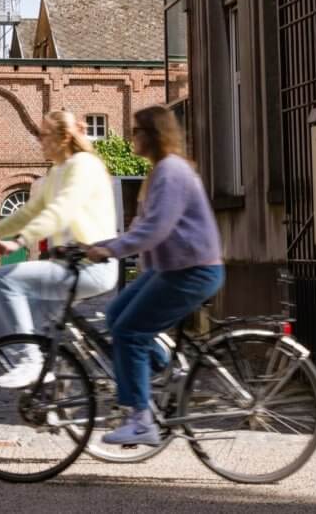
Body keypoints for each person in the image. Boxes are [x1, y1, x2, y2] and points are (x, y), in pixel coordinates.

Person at [87, 105, 223, 446]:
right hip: (171, 267)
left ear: (153, 135)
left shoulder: (171, 172)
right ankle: (163, 372)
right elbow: (140, 227)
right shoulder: (157, 172)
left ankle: (140, 420)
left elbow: (156, 230)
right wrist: (95, 245)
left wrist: (110, 251)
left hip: (193, 269)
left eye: (137, 131)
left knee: (130, 331)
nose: (132, 137)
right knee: (117, 314)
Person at [0, 110, 119, 389]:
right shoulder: (56, 172)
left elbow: (60, 212)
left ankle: (32, 363)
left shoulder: (83, 165)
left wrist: (18, 242)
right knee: (29, 326)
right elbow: (29, 212)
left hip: (90, 266)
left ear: (63, 137)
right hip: (69, 265)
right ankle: (52, 397)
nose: (39, 140)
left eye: (44, 135)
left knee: (3, 280)